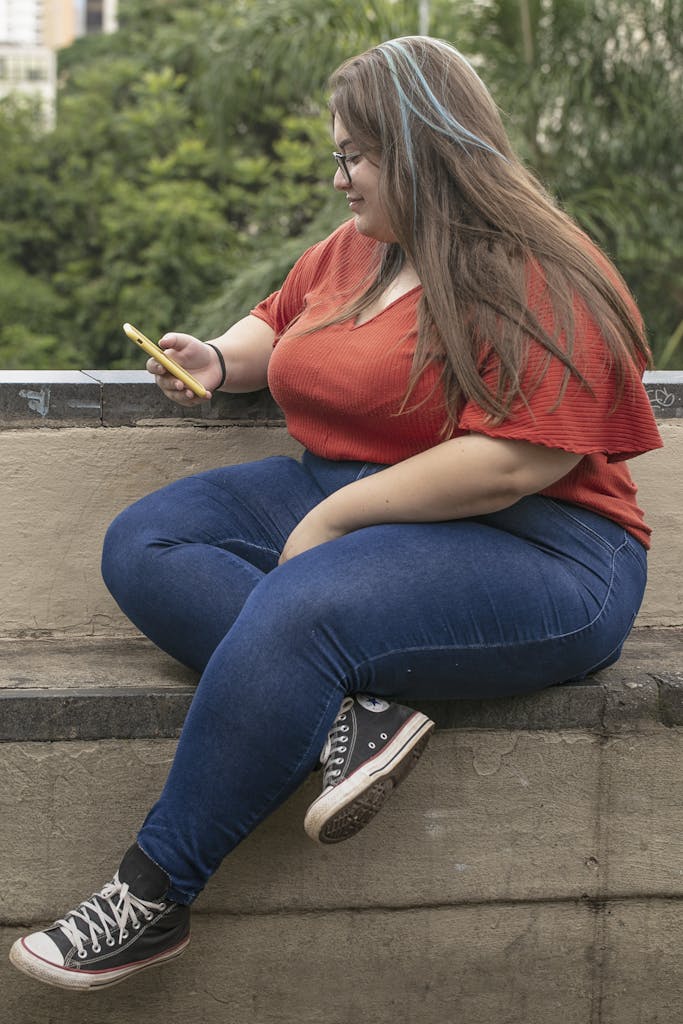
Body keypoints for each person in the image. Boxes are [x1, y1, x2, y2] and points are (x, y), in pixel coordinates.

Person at [10, 35, 662, 991]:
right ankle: (349, 721)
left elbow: (521, 457)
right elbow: (278, 321)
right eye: (336, 156)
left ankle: (151, 896)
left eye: (353, 156)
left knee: (299, 609)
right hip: (361, 495)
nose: (340, 179)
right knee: (147, 539)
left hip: (545, 548)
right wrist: (219, 362)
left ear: (417, 148)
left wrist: (333, 524)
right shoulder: (360, 249)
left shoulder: (534, 270)